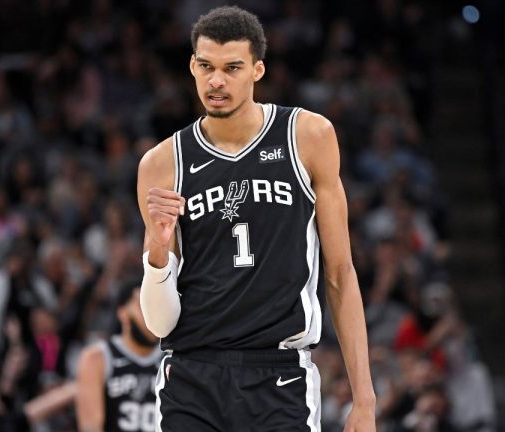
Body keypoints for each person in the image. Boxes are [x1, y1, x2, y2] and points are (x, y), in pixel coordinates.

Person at [136, 6, 376, 431]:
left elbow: (339, 273)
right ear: (192, 65)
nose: (216, 81)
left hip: (279, 375)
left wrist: (365, 398)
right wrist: (156, 254)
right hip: (191, 375)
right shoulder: (161, 164)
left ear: (257, 70)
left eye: (232, 68)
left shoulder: (308, 136)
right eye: (206, 66)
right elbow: (159, 323)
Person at [76, 280, 162, 432]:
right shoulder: (98, 357)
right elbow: (90, 427)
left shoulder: (173, 359)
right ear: (122, 312)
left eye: (156, 306)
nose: (151, 314)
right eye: (143, 306)